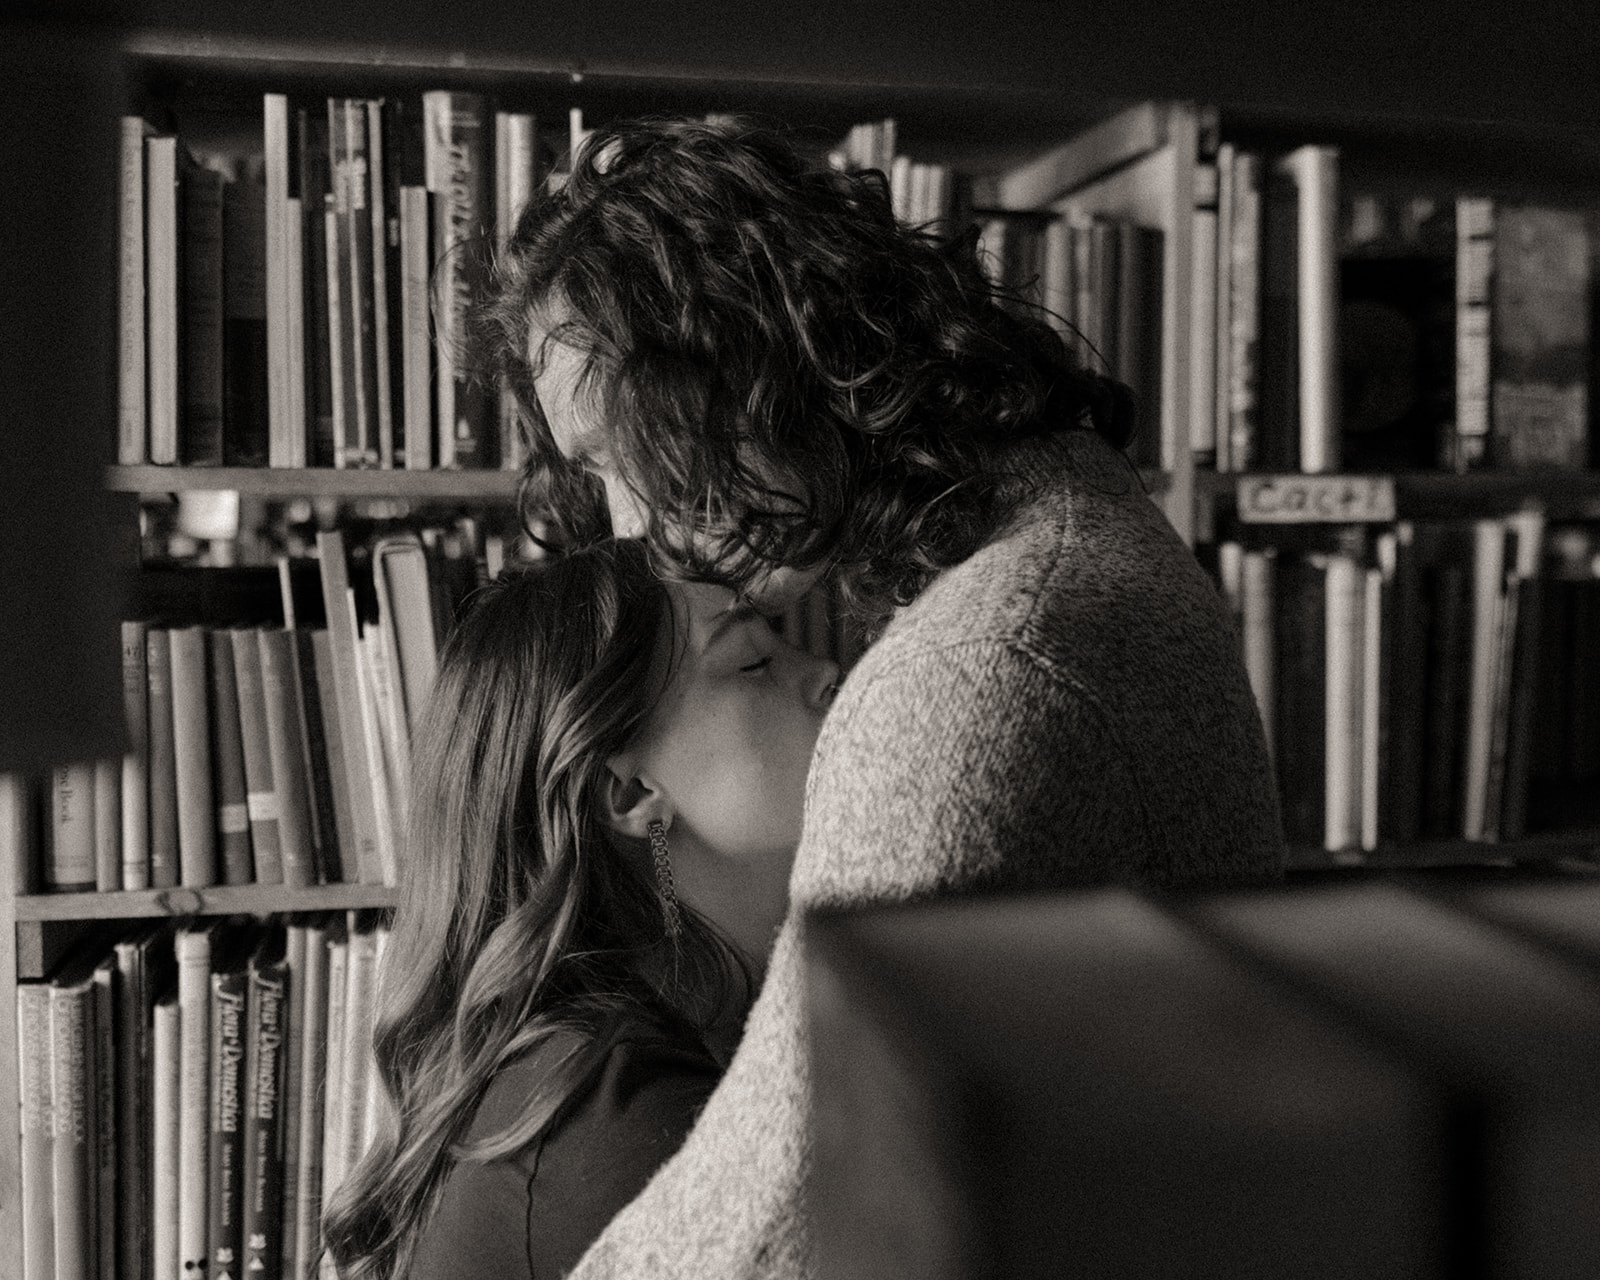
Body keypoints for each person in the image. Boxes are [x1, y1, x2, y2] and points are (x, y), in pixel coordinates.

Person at [486, 116, 1286, 1278]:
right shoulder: (1065, 527)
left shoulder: (977, 663)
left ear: (752, 357)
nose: (624, 524)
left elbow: (782, 1215)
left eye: (624, 447)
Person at [320, 539, 840, 1280]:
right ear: (628, 795)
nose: (825, 674)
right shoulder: (619, 1122)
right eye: (754, 664)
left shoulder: (593, 1071)